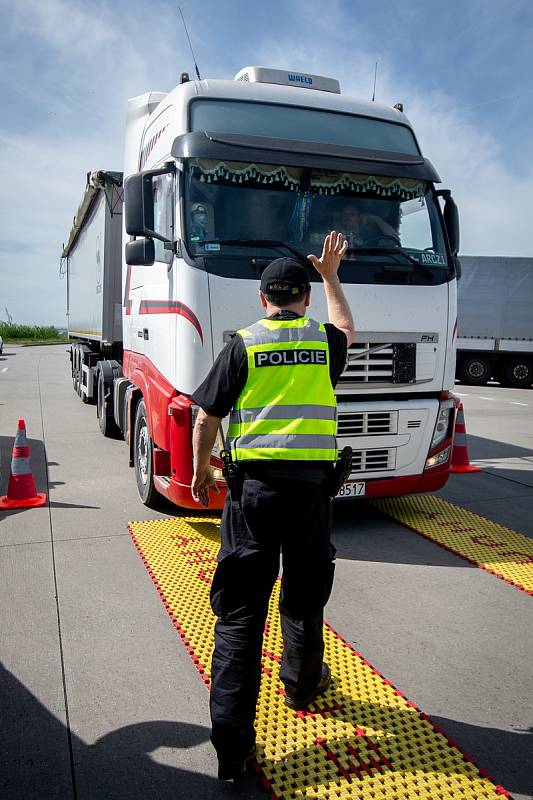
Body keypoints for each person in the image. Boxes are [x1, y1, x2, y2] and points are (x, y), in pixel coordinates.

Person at [190, 231, 355, 781]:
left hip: (252, 495)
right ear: (304, 298)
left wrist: (200, 473)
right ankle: (303, 687)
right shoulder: (323, 342)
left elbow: (206, 417)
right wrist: (332, 276)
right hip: (312, 496)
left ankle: (233, 751)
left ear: (263, 299)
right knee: (305, 594)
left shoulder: (244, 343)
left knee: (240, 617)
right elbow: (347, 330)